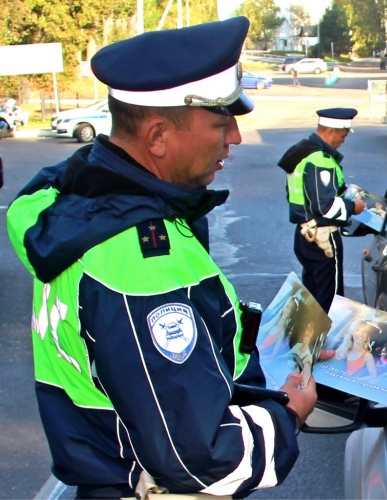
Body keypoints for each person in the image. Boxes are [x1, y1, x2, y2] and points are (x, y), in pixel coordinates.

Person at [5, 17, 317, 499]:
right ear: (156, 137)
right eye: (220, 122)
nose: (234, 137)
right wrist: (289, 413)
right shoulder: (141, 260)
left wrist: (277, 354)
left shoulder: (78, 201)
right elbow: (203, 461)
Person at [277, 107, 365, 312]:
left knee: (312, 293)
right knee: (331, 297)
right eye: (342, 136)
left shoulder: (301, 153)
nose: (343, 141)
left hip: (304, 232)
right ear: (331, 131)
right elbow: (324, 206)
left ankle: (310, 338)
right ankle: (327, 341)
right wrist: (354, 206)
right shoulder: (320, 160)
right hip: (323, 236)